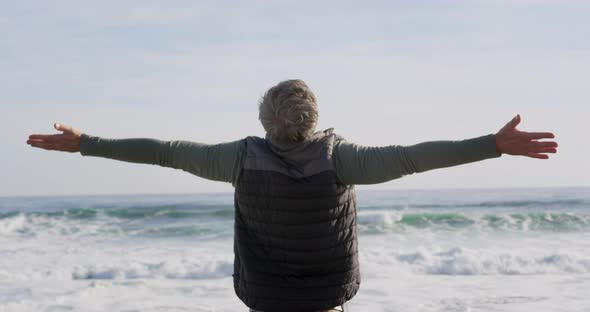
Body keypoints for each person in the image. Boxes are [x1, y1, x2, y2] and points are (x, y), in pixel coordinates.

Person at [26, 79, 558, 312]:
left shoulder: (235, 158)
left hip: (266, 299)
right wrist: (493, 145)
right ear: (315, 119)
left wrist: (84, 145)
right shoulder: (342, 159)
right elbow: (417, 155)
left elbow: (161, 150)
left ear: (264, 120)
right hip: (326, 297)